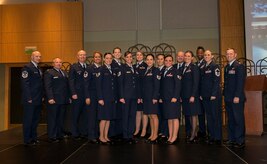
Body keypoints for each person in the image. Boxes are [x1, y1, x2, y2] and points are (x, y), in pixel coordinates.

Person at [223, 48, 246, 149]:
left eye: (231, 54)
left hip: (236, 98)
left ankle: (240, 140)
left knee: (238, 119)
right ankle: (232, 139)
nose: (229, 55)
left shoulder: (239, 66)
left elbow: (240, 83)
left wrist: (237, 96)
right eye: (227, 54)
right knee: (231, 119)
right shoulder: (227, 67)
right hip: (228, 98)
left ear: (235, 55)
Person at [44, 58, 70, 143]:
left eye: (60, 62)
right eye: (56, 62)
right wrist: (50, 98)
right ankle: (52, 136)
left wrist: (68, 97)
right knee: (53, 118)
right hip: (54, 100)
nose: (58, 63)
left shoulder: (64, 73)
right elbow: (48, 86)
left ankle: (59, 134)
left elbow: (67, 87)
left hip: (63, 100)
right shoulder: (49, 72)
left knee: (61, 118)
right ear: (53, 63)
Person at [21, 51, 43, 146]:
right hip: (30, 99)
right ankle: (27, 139)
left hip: (38, 98)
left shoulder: (38, 68)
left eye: (39, 56)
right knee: (28, 120)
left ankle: (34, 137)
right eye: (36, 56)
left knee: (35, 120)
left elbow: (40, 85)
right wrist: (28, 97)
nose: (38, 58)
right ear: (32, 57)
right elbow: (25, 84)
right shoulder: (27, 67)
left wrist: (42, 96)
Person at [199, 50, 222, 145]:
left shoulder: (215, 66)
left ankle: (217, 137)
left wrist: (213, 94)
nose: (207, 56)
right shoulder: (203, 66)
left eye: (208, 55)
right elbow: (201, 82)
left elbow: (216, 81)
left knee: (215, 116)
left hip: (213, 96)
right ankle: (212, 136)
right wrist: (201, 93)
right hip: (205, 96)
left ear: (212, 56)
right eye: (205, 55)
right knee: (208, 117)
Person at [96, 53, 117, 144]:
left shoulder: (111, 69)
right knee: (103, 118)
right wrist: (100, 98)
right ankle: (101, 136)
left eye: (110, 58)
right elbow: (98, 85)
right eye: (107, 58)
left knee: (108, 118)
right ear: (104, 59)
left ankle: (105, 136)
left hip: (110, 98)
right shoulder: (101, 69)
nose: (109, 60)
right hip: (104, 98)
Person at [119, 51, 139, 144]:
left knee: (132, 116)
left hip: (134, 96)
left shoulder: (134, 68)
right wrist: (121, 96)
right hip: (125, 97)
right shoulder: (122, 68)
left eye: (131, 57)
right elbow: (120, 83)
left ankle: (131, 135)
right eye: (127, 57)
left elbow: (136, 83)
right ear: (125, 58)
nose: (129, 58)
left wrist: (138, 96)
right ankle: (125, 136)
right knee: (125, 116)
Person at [160, 55, 181, 145]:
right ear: (164, 61)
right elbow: (162, 86)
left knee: (174, 117)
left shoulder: (175, 71)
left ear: (172, 62)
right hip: (165, 99)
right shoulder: (163, 71)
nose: (168, 62)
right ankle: (170, 135)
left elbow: (178, 85)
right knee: (169, 118)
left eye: (170, 60)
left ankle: (174, 136)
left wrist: (175, 97)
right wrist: (161, 97)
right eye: (166, 60)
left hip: (173, 99)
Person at [181, 50, 201, 143]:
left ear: (192, 58)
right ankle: (192, 132)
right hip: (184, 96)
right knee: (188, 114)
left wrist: (193, 95)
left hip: (192, 96)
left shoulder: (194, 68)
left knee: (193, 115)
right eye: (186, 56)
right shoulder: (182, 68)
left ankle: (193, 134)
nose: (187, 57)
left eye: (189, 56)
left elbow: (196, 83)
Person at [69, 50, 88, 140]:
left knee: (84, 115)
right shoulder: (74, 67)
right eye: (80, 55)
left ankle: (83, 132)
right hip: (77, 95)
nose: (82, 56)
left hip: (86, 95)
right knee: (75, 114)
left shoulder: (88, 66)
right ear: (77, 56)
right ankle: (75, 133)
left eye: (84, 55)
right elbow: (71, 81)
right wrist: (73, 93)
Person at [84, 51, 102, 144]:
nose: (97, 58)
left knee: (98, 116)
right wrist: (87, 97)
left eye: (99, 57)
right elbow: (86, 84)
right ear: (93, 58)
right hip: (91, 95)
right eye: (96, 57)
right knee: (92, 116)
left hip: (100, 96)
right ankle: (91, 136)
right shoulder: (89, 68)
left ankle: (97, 134)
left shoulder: (102, 68)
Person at [143, 54, 161, 144]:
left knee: (154, 116)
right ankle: (152, 134)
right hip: (146, 97)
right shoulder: (146, 70)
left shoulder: (156, 70)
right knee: (150, 116)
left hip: (152, 97)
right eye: (148, 59)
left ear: (154, 61)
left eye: (151, 59)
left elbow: (157, 85)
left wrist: (155, 97)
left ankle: (155, 135)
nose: (149, 61)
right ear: (146, 61)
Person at [133, 51, 148, 138]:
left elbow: (145, 83)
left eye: (140, 55)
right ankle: (137, 129)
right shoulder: (134, 66)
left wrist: (141, 96)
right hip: (135, 94)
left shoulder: (145, 66)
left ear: (143, 56)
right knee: (138, 112)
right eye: (137, 55)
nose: (139, 56)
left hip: (143, 94)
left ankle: (144, 130)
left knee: (144, 113)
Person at [110, 47, 123, 138]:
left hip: (121, 93)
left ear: (121, 54)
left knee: (119, 113)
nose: (117, 54)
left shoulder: (122, 64)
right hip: (113, 93)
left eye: (119, 52)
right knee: (113, 113)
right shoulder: (111, 63)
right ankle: (112, 133)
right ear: (113, 54)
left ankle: (118, 132)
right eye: (115, 52)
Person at [196, 46, 207, 139]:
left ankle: (208, 132)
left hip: (205, 93)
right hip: (197, 93)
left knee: (207, 113)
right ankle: (202, 130)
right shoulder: (195, 64)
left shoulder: (206, 63)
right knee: (200, 113)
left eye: (201, 52)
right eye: (198, 52)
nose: (200, 54)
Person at [156, 54, 168, 142]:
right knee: (159, 115)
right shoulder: (156, 70)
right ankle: (161, 131)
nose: (160, 61)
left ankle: (166, 132)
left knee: (165, 115)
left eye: (161, 59)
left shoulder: (165, 70)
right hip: (157, 97)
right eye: (158, 59)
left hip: (164, 97)